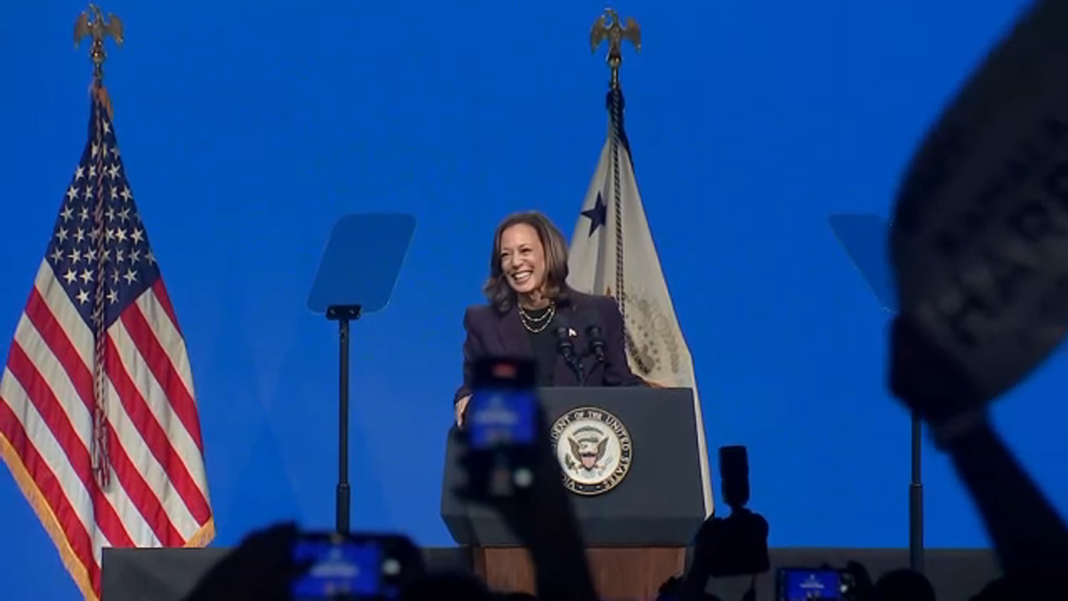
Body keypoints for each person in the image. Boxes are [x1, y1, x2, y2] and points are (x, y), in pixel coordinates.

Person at [454, 210, 646, 426]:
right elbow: (473, 386)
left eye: (525, 250)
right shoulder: (483, 322)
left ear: (549, 252)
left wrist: (662, 398)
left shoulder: (599, 312)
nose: (515, 262)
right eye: (505, 255)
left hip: (583, 444)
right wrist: (466, 398)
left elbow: (620, 382)